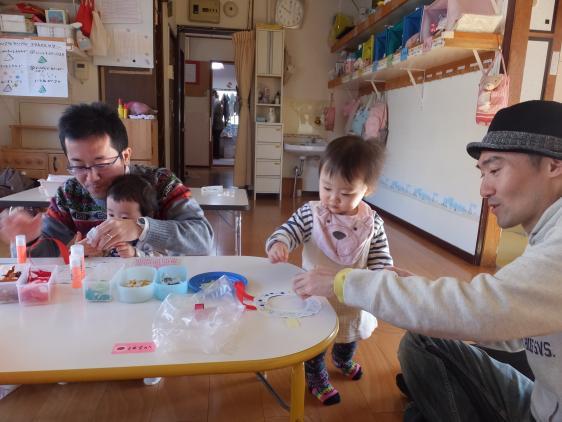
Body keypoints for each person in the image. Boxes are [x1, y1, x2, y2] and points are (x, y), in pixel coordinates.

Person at [292, 100, 562, 421]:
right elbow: (510, 320)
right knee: (421, 342)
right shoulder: (547, 234)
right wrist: (416, 292)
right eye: (482, 173)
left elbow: (484, 308)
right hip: (540, 397)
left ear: (553, 166)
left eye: (495, 170)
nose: (483, 189)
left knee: (420, 406)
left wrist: (343, 282)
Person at [266, 135, 393, 405]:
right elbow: (289, 230)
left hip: (352, 298)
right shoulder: (311, 213)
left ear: (367, 189)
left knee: (349, 335)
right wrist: (279, 243)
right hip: (315, 296)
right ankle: (315, 376)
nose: (333, 199)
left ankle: (343, 359)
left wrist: (386, 274)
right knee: (316, 340)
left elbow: (380, 257)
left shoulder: (372, 223)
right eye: (326, 188)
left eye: (346, 193)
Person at [0, 102, 213, 258]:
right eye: (78, 166)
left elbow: (203, 239)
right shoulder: (70, 194)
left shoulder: (160, 182)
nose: (91, 177)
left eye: (101, 164)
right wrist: (28, 239)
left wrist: (141, 228)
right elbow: (43, 258)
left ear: (126, 156)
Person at [86, 174, 159, 258]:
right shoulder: (106, 233)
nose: (115, 222)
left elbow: (159, 258)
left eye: (124, 218)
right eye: (111, 215)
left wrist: (135, 253)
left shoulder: (148, 239)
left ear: (145, 218)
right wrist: (93, 251)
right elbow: (101, 254)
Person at [212, 90, 224, 159]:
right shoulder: (217, 102)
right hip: (219, 124)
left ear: (214, 94)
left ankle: (216, 155)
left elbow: (214, 113)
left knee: (216, 140)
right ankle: (216, 155)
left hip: (217, 125)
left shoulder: (216, 102)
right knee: (216, 140)